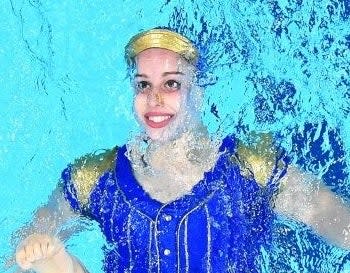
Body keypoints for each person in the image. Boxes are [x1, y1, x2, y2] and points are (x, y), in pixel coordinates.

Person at [14, 28, 350, 273]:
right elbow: (28, 238)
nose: (154, 99)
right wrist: (33, 247)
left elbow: (325, 213)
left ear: (198, 93)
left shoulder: (248, 168)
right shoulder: (94, 179)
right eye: (143, 84)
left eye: (171, 83)